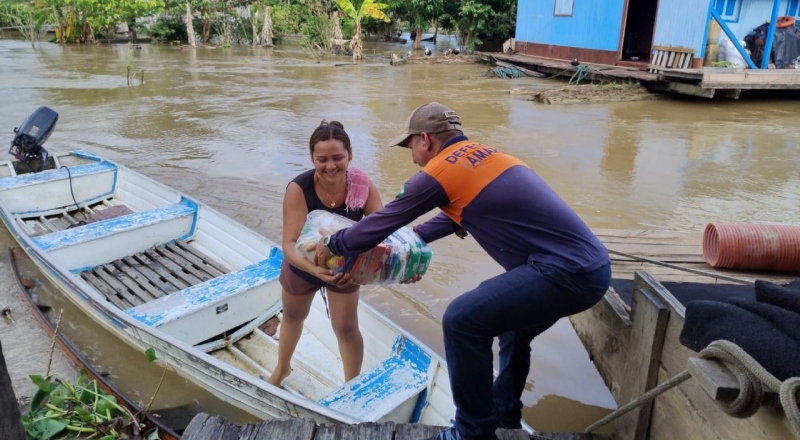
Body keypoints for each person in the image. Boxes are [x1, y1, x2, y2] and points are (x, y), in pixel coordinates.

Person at [314, 103, 611, 440]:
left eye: (410, 146)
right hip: (594, 270)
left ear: (425, 139)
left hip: (565, 272)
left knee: (461, 320)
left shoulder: (439, 171)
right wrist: (411, 245)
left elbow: (384, 221)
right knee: (512, 327)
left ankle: (471, 432)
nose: (413, 157)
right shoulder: (488, 156)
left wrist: (335, 244)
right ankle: (504, 416)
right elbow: (452, 215)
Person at [268, 120, 383, 387]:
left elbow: (382, 230)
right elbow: (289, 244)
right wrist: (313, 269)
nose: (330, 166)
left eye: (338, 158)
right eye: (322, 159)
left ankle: (351, 386)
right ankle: (282, 369)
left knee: (346, 328)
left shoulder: (363, 186)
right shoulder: (299, 188)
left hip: (345, 270)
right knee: (293, 317)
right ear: (312, 158)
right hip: (302, 265)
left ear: (350, 154)